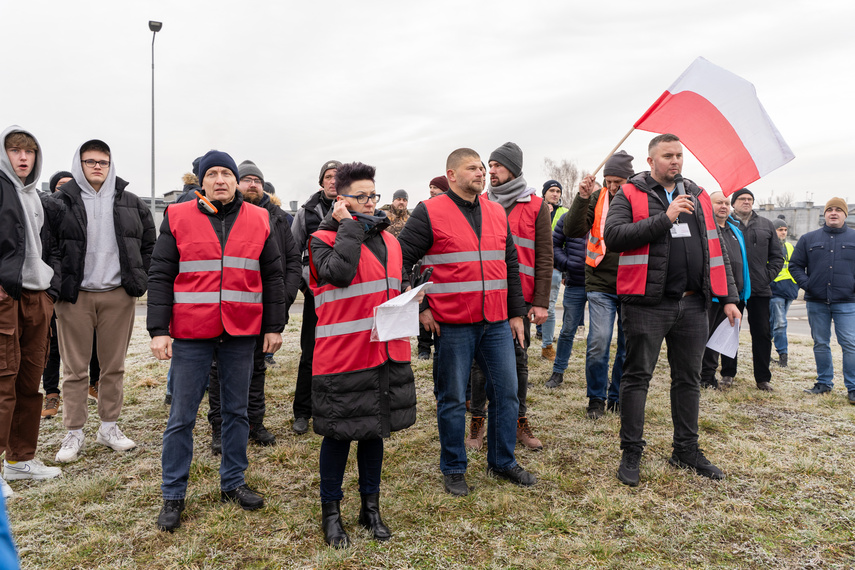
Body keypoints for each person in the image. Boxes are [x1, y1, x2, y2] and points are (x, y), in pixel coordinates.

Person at [147, 150, 286, 531]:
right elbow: (160, 274)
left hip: (241, 331)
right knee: (182, 417)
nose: (221, 179)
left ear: (237, 180)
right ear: (201, 180)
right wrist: (159, 330)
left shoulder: (259, 218)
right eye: (213, 174)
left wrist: (274, 326)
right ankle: (173, 494)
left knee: (237, 412)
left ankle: (233, 482)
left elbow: (273, 276)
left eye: (228, 173)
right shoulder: (176, 216)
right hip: (192, 333)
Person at [398, 147, 536, 496]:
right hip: (453, 323)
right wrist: (420, 306)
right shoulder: (428, 212)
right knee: (452, 398)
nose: (481, 173)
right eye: (473, 168)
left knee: (507, 394)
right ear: (452, 175)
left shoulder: (495, 211)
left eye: (482, 168)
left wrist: (516, 313)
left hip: (496, 322)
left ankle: (502, 461)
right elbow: (399, 260)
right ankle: (454, 467)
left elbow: (511, 266)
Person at [604, 134, 740, 486]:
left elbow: (716, 247)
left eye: (679, 155)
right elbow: (615, 236)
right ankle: (632, 451)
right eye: (667, 156)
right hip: (648, 303)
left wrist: (729, 297)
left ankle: (686, 450)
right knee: (637, 378)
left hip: (694, 304)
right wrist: (665, 217)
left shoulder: (696, 194)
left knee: (688, 380)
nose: (675, 161)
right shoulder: (631, 193)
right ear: (651, 161)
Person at [308, 162, 416, 548]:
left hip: (385, 351)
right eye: (362, 196)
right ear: (341, 200)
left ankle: (370, 508)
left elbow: (393, 285)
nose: (372, 202)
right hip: (343, 357)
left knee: (374, 434)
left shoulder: (390, 241)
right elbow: (337, 273)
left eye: (374, 195)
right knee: (338, 436)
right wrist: (348, 226)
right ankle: (331, 513)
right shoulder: (321, 238)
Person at [51, 139, 156, 464]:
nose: (97, 166)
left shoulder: (132, 203)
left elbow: (150, 244)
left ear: (110, 166)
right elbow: (48, 246)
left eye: (103, 162)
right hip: (75, 297)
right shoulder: (59, 203)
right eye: (90, 161)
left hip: (117, 296)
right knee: (74, 370)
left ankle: (109, 427)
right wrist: (58, 283)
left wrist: (137, 280)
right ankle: (74, 431)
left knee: (113, 367)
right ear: (78, 164)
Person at [207, 160, 300, 453]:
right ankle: (220, 428)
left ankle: (254, 422)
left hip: (266, 307)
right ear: (237, 184)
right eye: (246, 179)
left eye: (256, 180)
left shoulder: (278, 218)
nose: (252, 185)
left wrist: (283, 298)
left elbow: (292, 260)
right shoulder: (227, 215)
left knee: (257, 368)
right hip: (231, 308)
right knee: (218, 370)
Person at [466, 142, 551, 451]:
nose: (491, 171)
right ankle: (477, 421)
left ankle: (518, 420)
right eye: (489, 165)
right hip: (484, 295)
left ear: (513, 169)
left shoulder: (536, 205)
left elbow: (545, 256)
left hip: (520, 300)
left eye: (497, 165)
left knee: (518, 361)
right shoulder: (479, 201)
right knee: (479, 364)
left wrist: (541, 301)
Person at [0, 126, 64, 497]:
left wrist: (50, 290)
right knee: (2, 380)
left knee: (29, 379)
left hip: (37, 297)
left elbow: (49, 246)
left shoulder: (37, 198)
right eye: (15, 150)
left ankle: (20, 459)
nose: (24, 157)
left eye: (30, 151)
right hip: (5, 297)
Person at [561, 151, 634, 414]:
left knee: (628, 346)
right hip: (600, 281)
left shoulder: (639, 198)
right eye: (609, 181)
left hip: (632, 282)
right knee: (599, 341)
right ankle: (596, 398)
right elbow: (572, 230)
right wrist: (581, 197)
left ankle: (617, 395)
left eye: (619, 181)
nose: (613, 187)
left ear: (630, 178)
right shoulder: (596, 197)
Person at [290, 160, 341, 434]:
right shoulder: (306, 213)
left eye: (338, 177)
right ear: (321, 182)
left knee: (342, 352)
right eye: (329, 177)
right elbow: (292, 250)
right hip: (315, 295)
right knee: (310, 354)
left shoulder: (354, 207)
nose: (334, 181)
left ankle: (334, 408)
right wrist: (304, 283)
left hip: (345, 295)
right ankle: (302, 412)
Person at [790, 198, 855, 404]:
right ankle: (824, 383)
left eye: (838, 210)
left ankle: (853, 387)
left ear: (845, 214)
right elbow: (795, 266)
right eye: (829, 210)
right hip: (817, 301)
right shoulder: (808, 239)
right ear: (824, 214)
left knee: (850, 344)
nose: (833, 213)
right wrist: (808, 284)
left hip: (847, 302)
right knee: (820, 343)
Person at [727, 188, 783, 391]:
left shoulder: (766, 224)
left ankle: (762, 378)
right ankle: (727, 373)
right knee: (730, 331)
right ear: (733, 203)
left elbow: (777, 257)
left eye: (750, 199)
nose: (746, 202)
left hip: (759, 289)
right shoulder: (727, 224)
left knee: (762, 333)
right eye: (742, 199)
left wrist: (766, 277)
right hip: (733, 289)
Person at [700, 192, 751, 389]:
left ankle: (709, 376)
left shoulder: (734, 229)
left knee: (719, 340)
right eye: (718, 202)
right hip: (711, 296)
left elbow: (741, 261)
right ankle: (702, 377)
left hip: (733, 296)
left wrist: (743, 290)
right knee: (705, 339)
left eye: (727, 203)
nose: (724, 206)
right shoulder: (704, 228)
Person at [545, 212, 587, 397]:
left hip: (603, 285)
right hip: (576, 282)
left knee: (600, 335)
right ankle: (558, 372)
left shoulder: (608, 215)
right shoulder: (569, 218)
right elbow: (554, 245)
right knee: (568, 330)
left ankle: (599, 375)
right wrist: (567, 264)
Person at [417, 176, 450, 360]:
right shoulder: (424, 210)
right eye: (430, 187)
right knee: (424, 306)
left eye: (435, 187)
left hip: (443, 275)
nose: (431, 190)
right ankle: (423, 347)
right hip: (424, 269)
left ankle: (438, 346)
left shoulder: (449, 212)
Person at [538, 180, 568, 360]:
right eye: (551, 190)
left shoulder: (565, 213)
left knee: (548, 309)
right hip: (532, 267)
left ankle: (547, 345)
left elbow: (569, 243)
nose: (555, 194)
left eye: (558, 191)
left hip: (554, 268)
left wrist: (565, 270)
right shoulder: (534, 209)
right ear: (544, 193)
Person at [770, 217, 798, 368]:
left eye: (785, 230)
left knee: (773, 323)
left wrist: (796, 285)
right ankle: (783, 355)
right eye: (780, 230)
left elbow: (796, 266)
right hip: (775, 291)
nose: (783, 232)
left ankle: (769, 353)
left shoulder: (790, 247)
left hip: (789, 290)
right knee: (779, 323)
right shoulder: (768, 246)